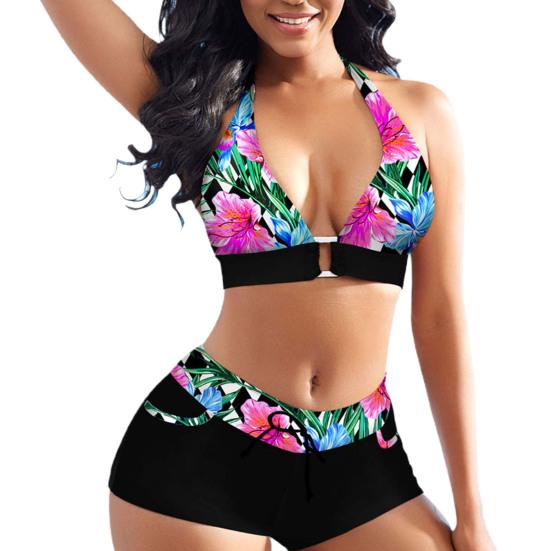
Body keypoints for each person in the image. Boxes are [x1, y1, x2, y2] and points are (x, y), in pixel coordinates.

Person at [41, 1, 496, 550]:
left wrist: (471, 512)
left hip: (357, 454)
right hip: (201, 450)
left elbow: (440, 315)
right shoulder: (203, 106)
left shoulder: (421, 114)